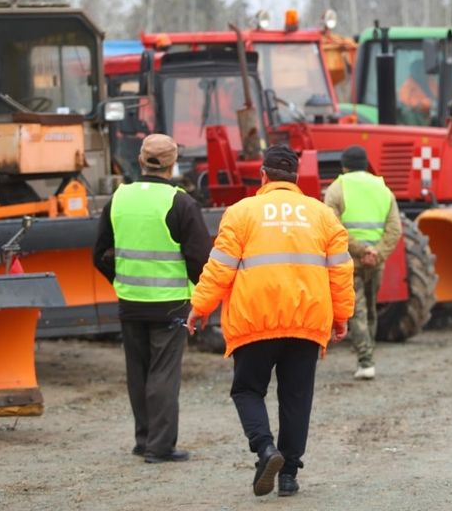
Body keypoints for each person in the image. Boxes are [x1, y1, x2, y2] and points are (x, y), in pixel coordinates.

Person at [186, 145, 354, 498]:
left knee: (247, 390)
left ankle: (266, 450)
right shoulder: (323, 215)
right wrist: (341, 317)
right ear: (295, 178)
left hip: (254, 320)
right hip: (306, 322)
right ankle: (289, 475)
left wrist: (200, 306)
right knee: (296, 397)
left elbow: (220, 267)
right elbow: (340, 272)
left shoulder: (241, 212)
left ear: (262, 176)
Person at [92, 133, 211, 464]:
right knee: (163, 373)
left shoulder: (119, 198)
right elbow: (201, 259)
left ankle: (143, 440)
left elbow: (100, 253)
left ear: (141, 161)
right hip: (170, 302)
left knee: (138, 371)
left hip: (130, 301)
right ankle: (159, 447)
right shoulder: (181, 202)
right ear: (172, 165)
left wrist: (120, 282)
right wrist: (201, 299)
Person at [324, 145, 402, 380]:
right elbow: (394, 229)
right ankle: (369, 355)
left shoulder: (336, 189)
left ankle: (366, 361)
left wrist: (360, 250)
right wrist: (376, 253)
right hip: (375, 262)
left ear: (344, 166)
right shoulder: (383, 188)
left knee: (356, 310)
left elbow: (332, 226)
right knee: (370, 309)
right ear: (366, 164)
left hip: (350, 261)